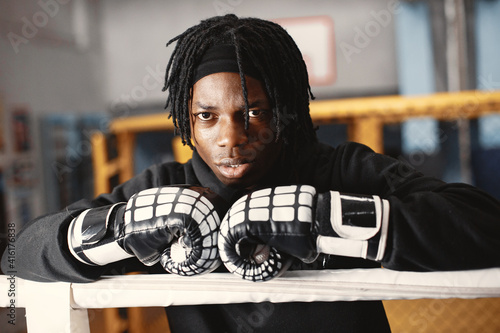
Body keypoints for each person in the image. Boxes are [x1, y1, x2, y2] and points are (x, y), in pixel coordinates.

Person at [2, 14, 500, 332]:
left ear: (282, 110)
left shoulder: (339, 170)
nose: (230, 137)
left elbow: (483, 223)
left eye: (253, 112)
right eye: (207, 116)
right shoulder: (164, 190)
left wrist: (328, 220)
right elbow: (19, 252)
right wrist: (119, 231)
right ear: (186, 119)